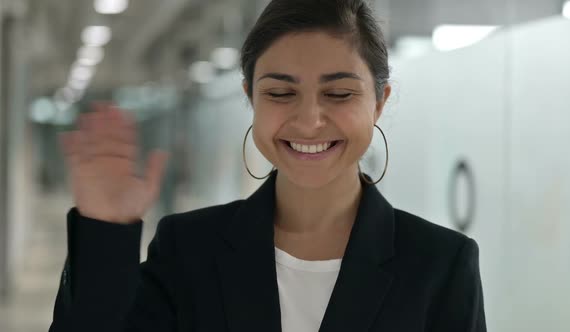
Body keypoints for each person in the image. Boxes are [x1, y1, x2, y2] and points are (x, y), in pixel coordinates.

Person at [49, 0, 486, 331]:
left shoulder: (438, 264)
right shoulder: (189, 249)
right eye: (280, 93)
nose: (310, 120)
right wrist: (104, 232)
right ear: (251, 98)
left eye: (339, 94)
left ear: (379, 102)